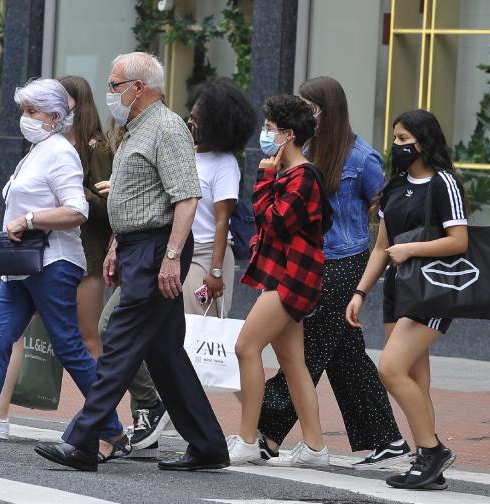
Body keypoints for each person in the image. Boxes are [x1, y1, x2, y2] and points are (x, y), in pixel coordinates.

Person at [34, 52, 229, 473]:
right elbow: (135, 198)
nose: (110, 93)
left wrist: (172, 257)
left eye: (115, 84)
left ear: (138, 88)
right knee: (165, 355)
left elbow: (186, 198)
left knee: (118, 340)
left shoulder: (166, 127)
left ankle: (84, 440)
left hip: (159, 248)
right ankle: (209, 444)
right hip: (137, 246)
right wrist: (115, 247)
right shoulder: (133, 129)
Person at [0, 78, 125, 457]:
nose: (25, 118)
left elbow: (77, 210)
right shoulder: (39, 150)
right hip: (22, 267)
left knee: (68, 347)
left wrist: (27, 220)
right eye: (23, 111)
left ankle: (110, 427)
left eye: (32, 111)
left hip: (51, 264)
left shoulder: (59, 152)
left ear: (54, 115)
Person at [257, 76, 412, 472]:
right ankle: (388, 440)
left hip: (345, 260)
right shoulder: (302, 150)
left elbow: (384, 205)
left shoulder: (361, 157)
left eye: (310, 106)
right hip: (309, 261)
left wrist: (385, 255)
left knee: (305, 349)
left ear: (327, 110)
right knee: (345, 355)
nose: (305, 112)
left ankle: (267, 431)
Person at [346, 109, 466, 489]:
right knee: (416, 379)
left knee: (391, 369)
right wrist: (360, 292)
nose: (396, 146)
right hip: (399, 290)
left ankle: (432, 451)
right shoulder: (395, 186)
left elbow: (459, 241)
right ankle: (426, 462)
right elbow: (382, 246)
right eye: (395, 139)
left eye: (403, 140)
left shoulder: (444, 183)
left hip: (432, 290)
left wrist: (412, 250)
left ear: (423, 142)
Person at [226, 94, 328, 467]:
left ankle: (249, 439)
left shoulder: (303, 177)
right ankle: (315, 447)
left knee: (246, 347)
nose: (264, 136)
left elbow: (274, 221)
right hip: (286, 275)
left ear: (288, 134)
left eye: (269, 129)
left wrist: (266, 177)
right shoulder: (292, 175)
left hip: (292, 278)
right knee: (292, 361)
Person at [183, 77, 257, 316]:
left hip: (206, 254)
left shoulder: (225, 164)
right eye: (191, 117)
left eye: (196, 120)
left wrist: (215, 272)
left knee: (196, 330)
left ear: (216, 125)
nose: (190, 123)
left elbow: (222, 221)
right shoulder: (188, 154)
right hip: (179, 250)